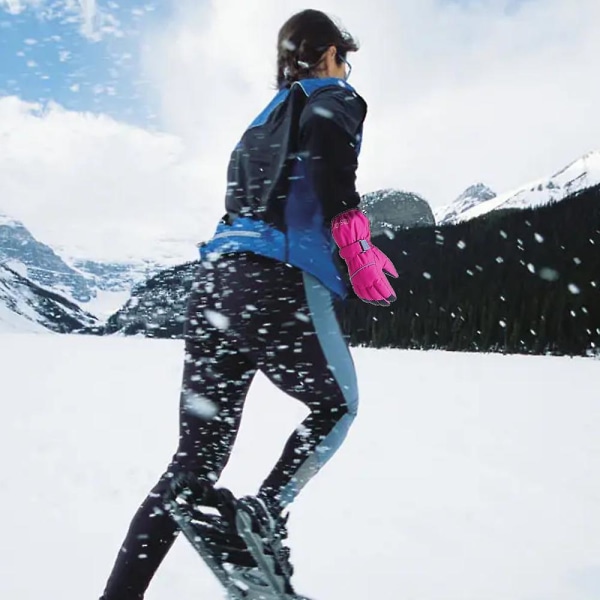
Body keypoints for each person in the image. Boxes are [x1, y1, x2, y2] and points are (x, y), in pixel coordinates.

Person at [100, 9, 397, 600]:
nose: (347, 68)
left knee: (194, 461)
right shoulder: (334, 98)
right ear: (334, 51)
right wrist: (355, 243)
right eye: (345, 56)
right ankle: (264, 514)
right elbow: (333, 166)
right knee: (338, 404)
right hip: (277, 279)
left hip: (214, 285)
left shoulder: (258, 124)